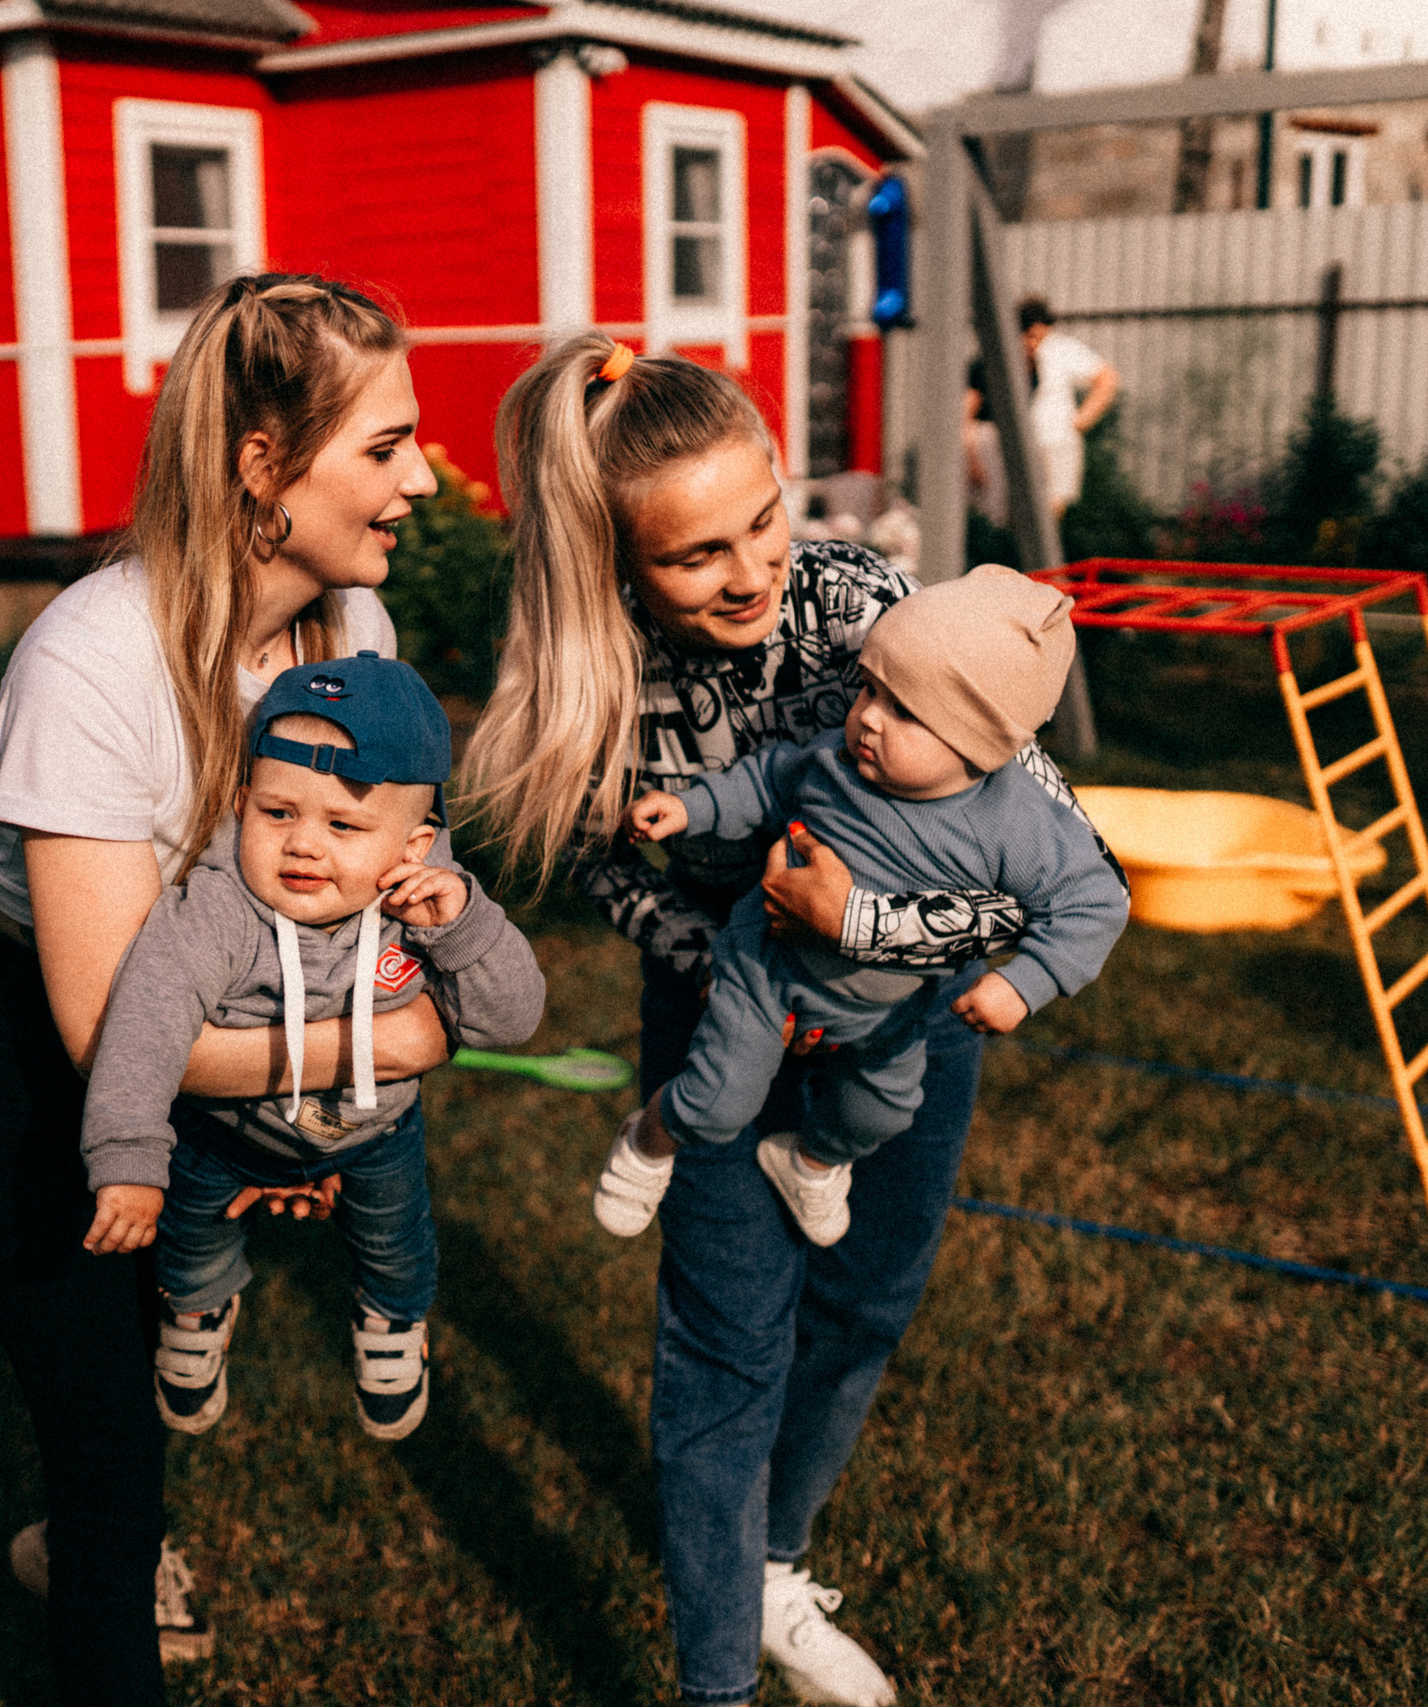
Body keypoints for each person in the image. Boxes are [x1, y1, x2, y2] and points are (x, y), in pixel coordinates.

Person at [465, 337, 1121, 1707]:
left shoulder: (868, 605)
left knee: (866, 1301)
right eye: (696, 553)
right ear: (619, 562)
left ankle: (770, 1563)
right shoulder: (593, 668)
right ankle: (716, 1682)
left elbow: (1053, 858)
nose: (751, 570)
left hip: (908, 1023)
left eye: (763, 518)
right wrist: (731, 967)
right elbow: (605, 867)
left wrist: (862, 931)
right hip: (728, 1019)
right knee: (724, 1344)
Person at [0, 272, 446, 1704]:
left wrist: (302, 1126)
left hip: (226, 1024)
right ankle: (108, 1550)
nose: (421, 478)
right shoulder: (91, 664)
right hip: (37, 1067)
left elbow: (355, 876)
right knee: (106, 1441)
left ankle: (102, 1525)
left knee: (144, 1373)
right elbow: (109, 1032)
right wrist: (372, 1047)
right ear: (263, 465)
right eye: (385, 445)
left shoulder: (354, 635)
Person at [79, 652, 545, 1442]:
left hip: (375, 1132)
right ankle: (197, 1308)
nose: (302, 844)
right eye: (278, 812)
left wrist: (464, 926)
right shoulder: (217, 912)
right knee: (190, 1242)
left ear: (415, 845)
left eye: (342, 825)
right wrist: (127, 1159)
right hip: (223, 1131)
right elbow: (145, 1024)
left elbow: (512, 1020)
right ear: (242, 803)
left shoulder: (425, 906)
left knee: (398, 1247)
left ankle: (392, 1319)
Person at [601, 566, 1128, 1248]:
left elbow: (1093, 902)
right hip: (768, 967)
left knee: (881, 1112)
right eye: (871, 689)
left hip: (887, 1008)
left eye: (905, 710)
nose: (869, 717)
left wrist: (1023, 984)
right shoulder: (837, 763)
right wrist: (691, 808)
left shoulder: (1013, 823)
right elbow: (766, 780)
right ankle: (650, 1138)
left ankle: (809, 1162)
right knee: (720, 1098)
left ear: (978, 740)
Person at [963, 296, 1119, 524]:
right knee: (1011, 509)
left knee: (1053, 505)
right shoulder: (1003, 357)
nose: (1035, 343)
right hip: (1020, 441)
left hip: (1057, 440)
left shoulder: (1061, 349)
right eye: (1031, 335)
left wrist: (1082, 420)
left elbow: (1106, 378)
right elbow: (973, 405)